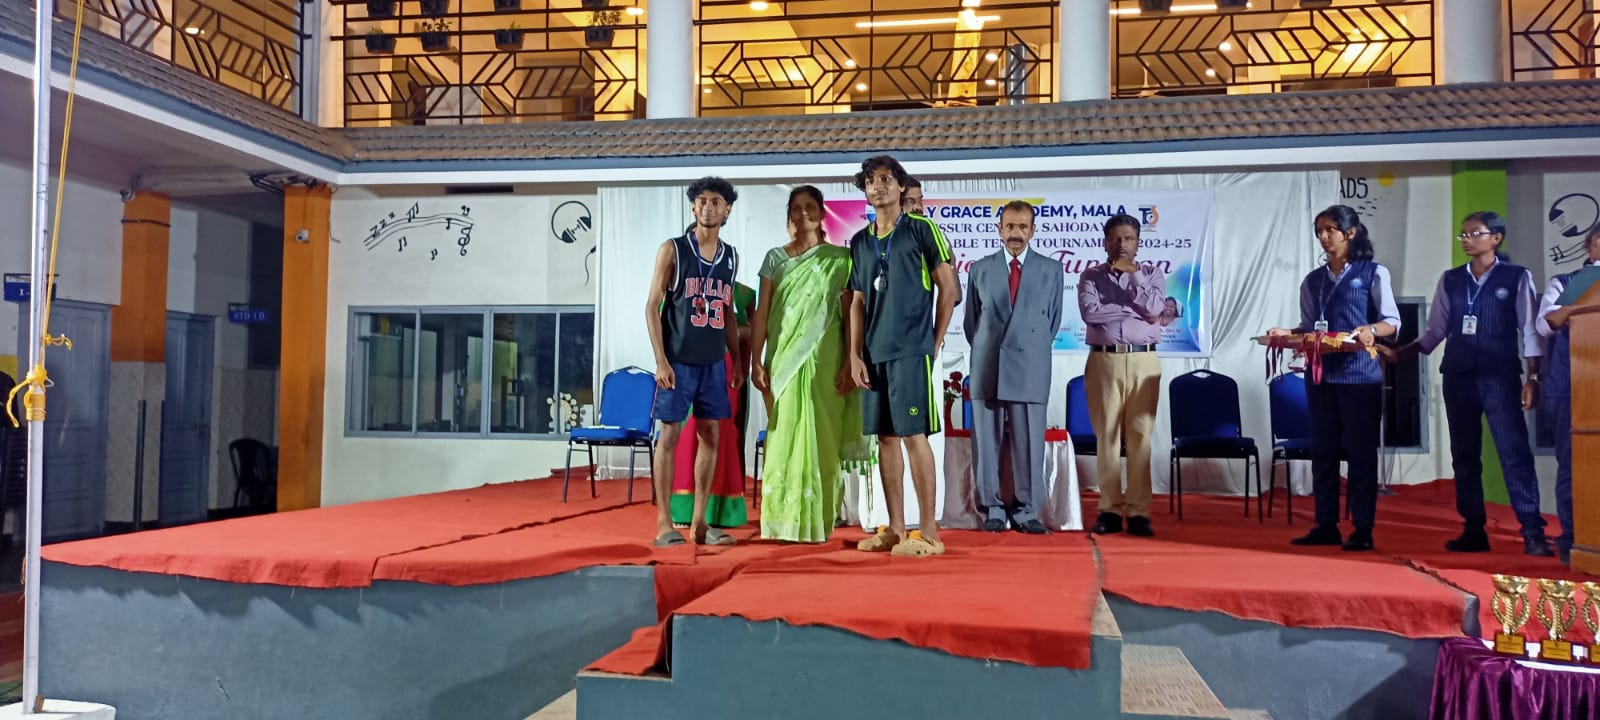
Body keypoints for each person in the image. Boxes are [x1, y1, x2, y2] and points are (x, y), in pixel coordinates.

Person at [1389, 211, 1549, 556]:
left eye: (1474, 233)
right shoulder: (1450, 279)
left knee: (1514, 452)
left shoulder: (1516, 277)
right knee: (1464, 455)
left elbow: (1530, 330)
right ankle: (1473, 529)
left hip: (1500, 377)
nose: (1466, 240)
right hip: (1458, 376)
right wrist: (1402, 354)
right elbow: (1435, 330)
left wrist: (1534, 377)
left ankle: (1532, 531)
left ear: (1496, 238)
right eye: (1463, 235)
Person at [1267, 204, 1401, 552]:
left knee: (1360, 455)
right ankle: (1325, 525)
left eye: (1330, 229)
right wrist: (1287, 334)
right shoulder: (1313, 280)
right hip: (1321, 377)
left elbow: (1392, 322)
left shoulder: (1373, 273)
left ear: (1350, 233)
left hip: (1360, 377)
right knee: (1323, 452)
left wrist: (1371, 330)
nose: (1323, 237)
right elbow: (1309, 327)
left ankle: (1362, 528)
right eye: (1319, 231)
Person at [845, 155, 960, 557]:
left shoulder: (922, 229)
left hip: (912, 350)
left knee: (914, 435)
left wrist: (935, 340)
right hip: (874, 352)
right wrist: (854, 354)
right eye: (870, 181)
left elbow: (949, 288)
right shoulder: (859, 242)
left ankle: (928, 531)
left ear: (900, 186)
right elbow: (857, 302)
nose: (877, 186)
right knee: (885, 439)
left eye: (885, 179)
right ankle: (895, 528)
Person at [750, 186, 869, 543]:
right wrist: (756, 360)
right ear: (789, 214)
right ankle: (781, 521)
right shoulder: (775, 258)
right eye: (797, 208)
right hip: (784, 360)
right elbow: (762, 313)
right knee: (783, 435)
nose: (804, 213)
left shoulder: (841, 259)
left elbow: (850, 312)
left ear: (821, 212)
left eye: (811, 206)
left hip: (826, 360)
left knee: (822, 436)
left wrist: (850, 359)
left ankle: (818, 520)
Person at [645, 177, 746, 547]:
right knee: (669, 435)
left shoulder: (731, 256)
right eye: (701, 200)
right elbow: (651, 307)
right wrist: (661, 360)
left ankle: (701, 522)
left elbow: (728, 311)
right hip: (678, 361)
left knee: (711, 436)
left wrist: (738, 360)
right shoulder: (673, 249)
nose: (708, 207)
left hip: (713, 362)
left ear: (727, 209)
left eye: (716, 201)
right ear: (692, 207)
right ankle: (663, 522)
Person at [963, 200, 1063, 534]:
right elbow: (972, 323)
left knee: (1029, 442)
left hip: (1030, 365)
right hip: (988, 364)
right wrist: (990, 347)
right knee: (985, 444)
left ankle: (1026, 510)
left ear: (1033, 230)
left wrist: (1027, 346)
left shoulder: (1051, 270)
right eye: (1009, 226)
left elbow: (1051, 322)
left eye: (1022, 227)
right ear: (999, 229)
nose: (1015, 233)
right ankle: (992, 507)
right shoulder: (980, 269)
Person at [1080, 214, 1166, 538]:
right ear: (1105, 242)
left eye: (1129, 238)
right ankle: (1110, 510)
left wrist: (1134, 278)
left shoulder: (1152, 274)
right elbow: (1091, 314)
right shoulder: (1091, 276)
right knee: (1108, 437)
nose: (1122, 244)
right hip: (1104, 361)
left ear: (1138, 242)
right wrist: (1135, 311)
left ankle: (1139, 511)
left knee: (1141, 437)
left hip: (1144, 361)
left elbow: (1155, 310)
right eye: (1116, 238)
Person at [667, 269, 752, 530]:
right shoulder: (679, 285)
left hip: (724, 367)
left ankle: (721, 511)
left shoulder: (743, 293)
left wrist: (740, 364)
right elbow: (666, 325)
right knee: (688, 435)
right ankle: (684, 509)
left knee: (722, 434)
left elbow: (747, 334)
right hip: (687, 365)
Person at [1535, 224, 1600, 565]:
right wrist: (1589, 284)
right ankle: (1573, 538)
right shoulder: (1566, 282)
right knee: (1573, 465)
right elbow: (1546, 324)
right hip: (1570, 387)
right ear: (1594, 243)